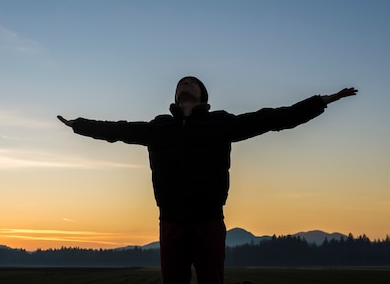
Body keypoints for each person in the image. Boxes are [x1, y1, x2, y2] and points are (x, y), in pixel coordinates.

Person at [57, 76, 357, 284]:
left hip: (209, 221)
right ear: (175, 97)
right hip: (171, 221)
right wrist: (78, 125)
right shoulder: (158, 127)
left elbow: (272, 119)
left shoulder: (221, 123)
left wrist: (321, 102)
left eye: (191, 83)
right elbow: (117, 130)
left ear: (202, 95)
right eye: (180, 84)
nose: (184, 85)